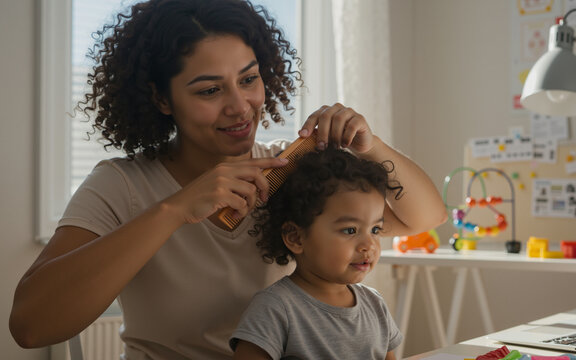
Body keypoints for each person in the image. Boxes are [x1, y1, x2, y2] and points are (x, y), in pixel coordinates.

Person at [9, 0, 447, 358]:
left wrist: (371, 145)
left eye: (249, 80)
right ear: (161, 98)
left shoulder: (286, 170)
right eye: (209, 90)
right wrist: (175, 209)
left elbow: (425, 217)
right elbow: (30, 325)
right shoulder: (123, 185)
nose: (241, 107)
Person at [231, 148, 403, 359]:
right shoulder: (275, 309)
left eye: (375, 230)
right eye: (350, 230)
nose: (369, 245)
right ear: (296, 237)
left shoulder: (375, 305)